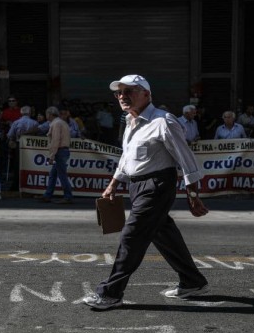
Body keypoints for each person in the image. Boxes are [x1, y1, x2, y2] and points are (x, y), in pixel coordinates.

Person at [83, 74, 209, 311]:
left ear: (146, 94)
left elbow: (186, 160)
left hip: (157, 186)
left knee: (132, 236)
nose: (122, 96)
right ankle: (193, 282)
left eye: (129, 91)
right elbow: (126, 158)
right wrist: (113, 184)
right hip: (137, 186)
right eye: (119, 93)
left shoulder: (163, 122)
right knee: (164, 234)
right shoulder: (131, 122)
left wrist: (193, 196)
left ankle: (111, 293)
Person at [34, 106, 73, 204]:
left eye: (47, 114)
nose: (46, 115)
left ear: (50, 114)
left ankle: (67, 197)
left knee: (61, 175)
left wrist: (51, 156)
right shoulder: (61, 122)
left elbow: (55, 140)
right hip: (62, 151)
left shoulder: (56, 124)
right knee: (54, 174)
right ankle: (48, 195)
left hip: (59, 151)